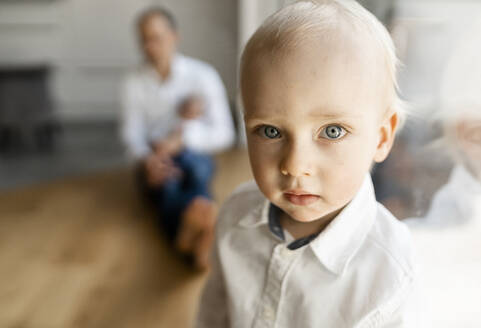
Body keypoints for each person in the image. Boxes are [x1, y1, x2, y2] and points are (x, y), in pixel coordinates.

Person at [196, 0, 421, 326]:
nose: (295, 165)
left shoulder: (389, 271)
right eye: (270, 131)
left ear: (382, 137)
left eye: (332, 131)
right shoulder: (234, 217)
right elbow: (215, 311)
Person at [120, 7, 235, 269]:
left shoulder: (203, 75)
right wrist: (148, 161)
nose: (150, 47)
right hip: (155, 158)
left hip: (191, 153)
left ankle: (185, 239)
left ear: (175, 36)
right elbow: (131, 137)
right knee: (168, 181)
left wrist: (183, 140)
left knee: (195, 168)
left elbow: (225, 135)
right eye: (144, 40)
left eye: (156, 37)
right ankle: (202, 223)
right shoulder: (132, 83)